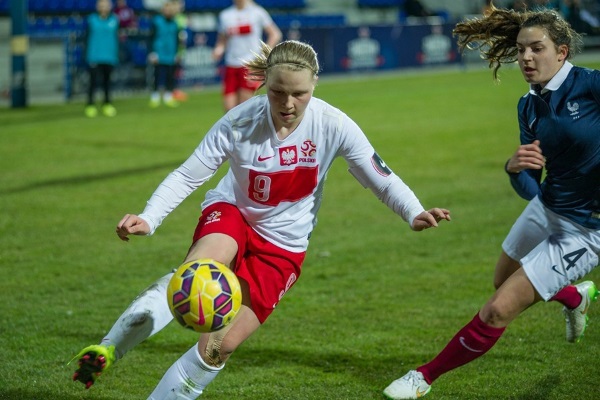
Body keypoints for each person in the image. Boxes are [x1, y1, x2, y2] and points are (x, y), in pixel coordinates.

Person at [71, 39, 451, 398]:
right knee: (197, 274)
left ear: (315, 84)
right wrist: (149, 217)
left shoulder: (333, 124)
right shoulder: (240, 122)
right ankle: (107, 349)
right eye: (277, 92)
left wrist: (413, 211)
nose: (288, 103)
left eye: (299, 93)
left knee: (216, 348)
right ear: (265, 84)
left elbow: (379, 175)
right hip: (233, 213)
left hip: (284, 245)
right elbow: (189, 174)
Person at [383, 5, 600, 399]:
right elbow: (529, 183)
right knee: (503, 279)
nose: (526, 58)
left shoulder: (592, 87)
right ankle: (575, 295)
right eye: (520, 50)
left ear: (562, 52)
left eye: (537, 49)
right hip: (547, 208)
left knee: (499, 307)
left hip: (586, 230)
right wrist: (515, 169)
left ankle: (422, 378)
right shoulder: (528, 105)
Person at [212, 0, 282, 112]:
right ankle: (235, 130)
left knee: (245, 106)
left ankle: (249, 129)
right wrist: (218, 49)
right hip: (231, 63)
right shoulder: (225, 15)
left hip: (250, 63)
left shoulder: (257, 12)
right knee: (229, 108)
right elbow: (222, 39)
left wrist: (264, 53)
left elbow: (275, 33)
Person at [84, 0, 119, 118]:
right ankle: (90, 105)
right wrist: (86, 55)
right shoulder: (91, 20)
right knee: (93, 82)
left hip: (109, 56)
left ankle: (107, 104)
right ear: (97, 7)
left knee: (107, 82)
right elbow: (86, 38)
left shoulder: (114, 20)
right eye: (101, 5)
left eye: (106, 5)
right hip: (94, 55)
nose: (103, 8)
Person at [148, 0, 181, 108]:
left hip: (171, 53)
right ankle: (155, 96)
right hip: (159, 53)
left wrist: (177, 53)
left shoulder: (175, 23)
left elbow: (177, 39)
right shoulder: (157, 21)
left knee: (170, 76)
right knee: (157, 75)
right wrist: (152, 52)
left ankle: (168, 96)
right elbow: (151, 37)